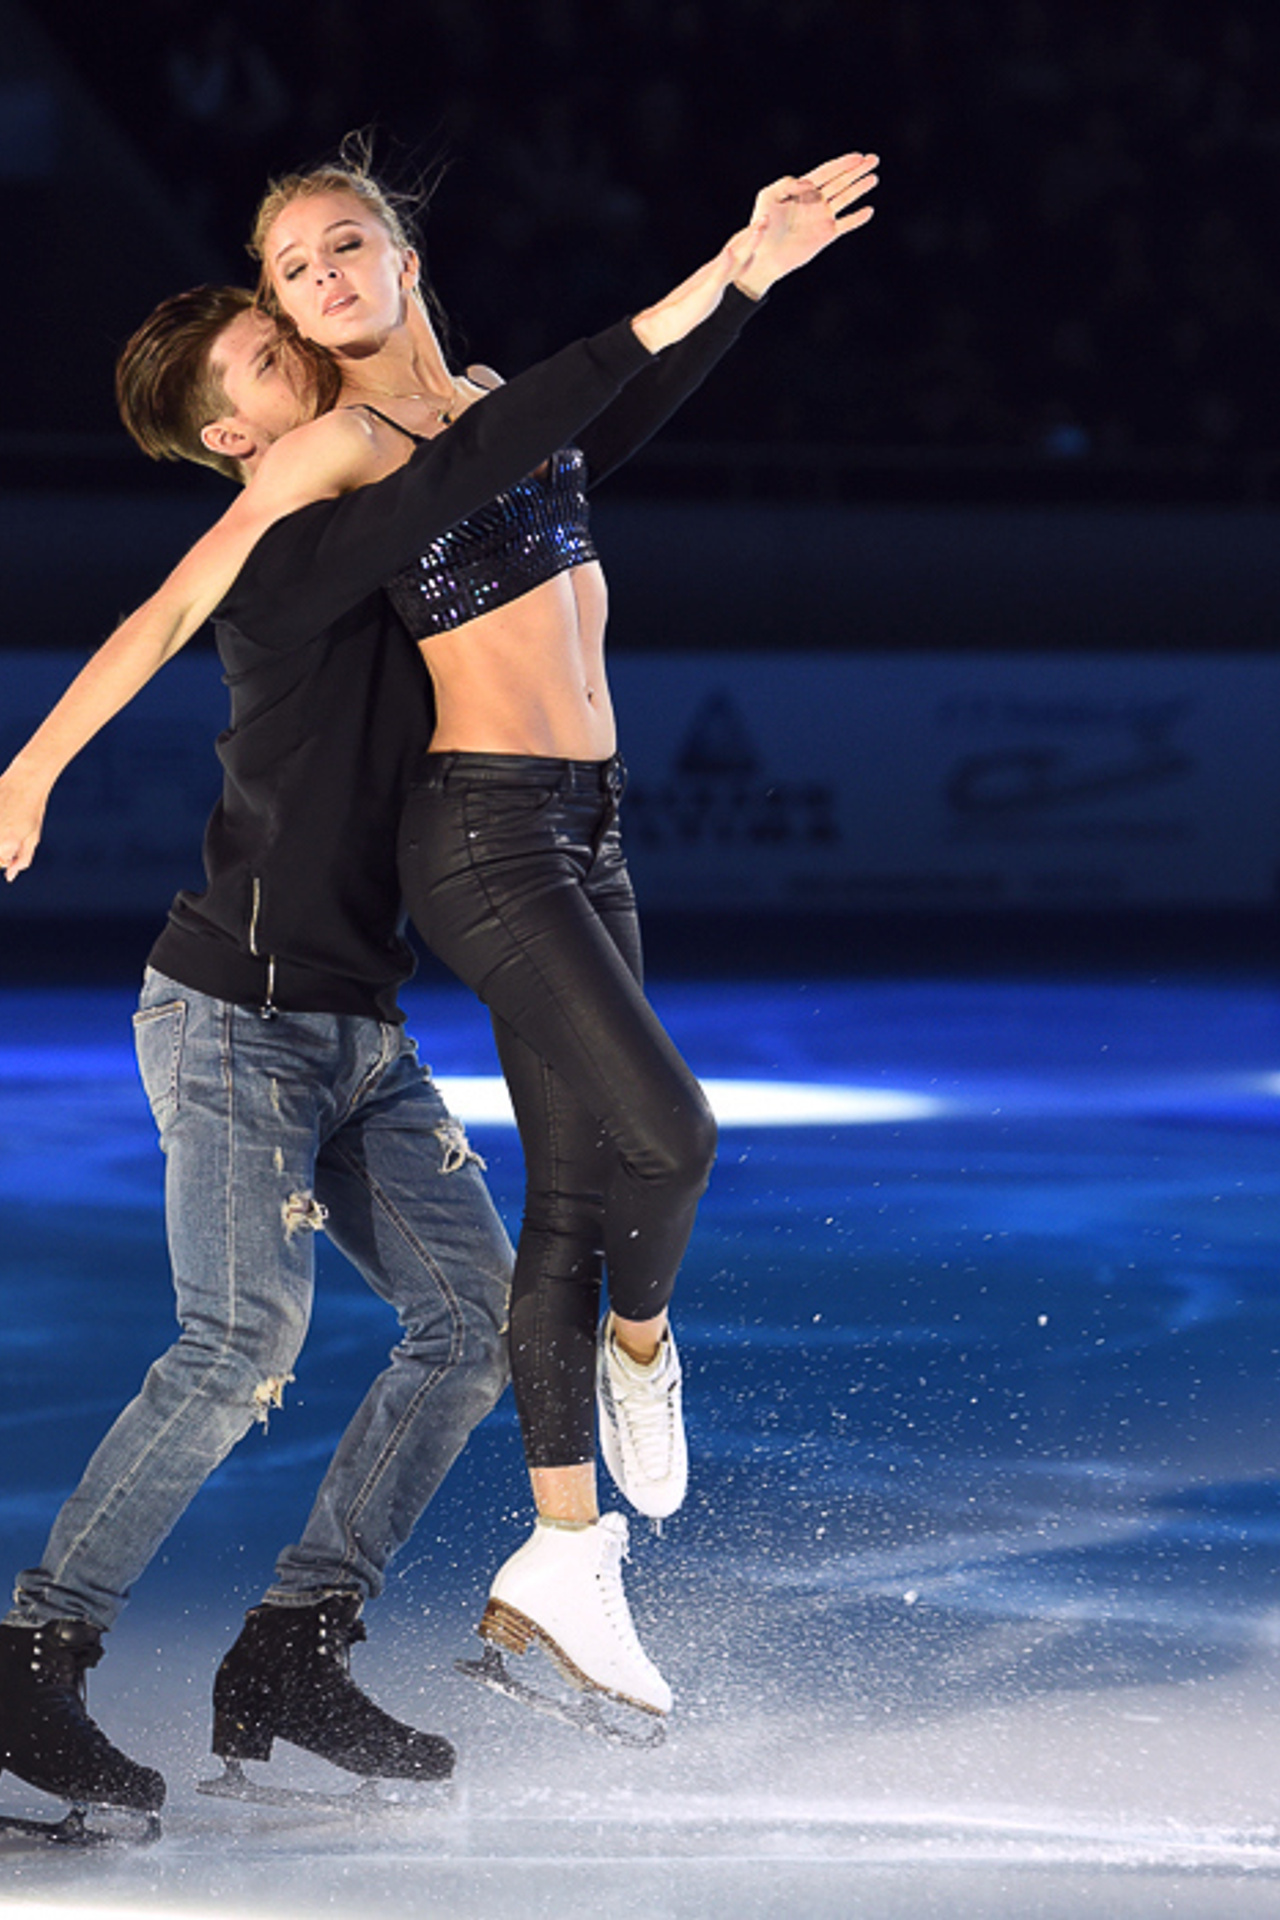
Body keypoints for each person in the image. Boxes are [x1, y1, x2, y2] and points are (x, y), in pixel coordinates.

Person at [0, 189, 780, 1817]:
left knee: (471, 1331)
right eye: (269, 346)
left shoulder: (413, 480)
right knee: (239, 1345)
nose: (301, 338)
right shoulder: (299, 529)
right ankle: (31, 1664)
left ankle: (291, 1647)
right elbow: (164, 614)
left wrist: (734, 294)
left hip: (358, 1018)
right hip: (232, 1010)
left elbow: (534, 461)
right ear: (233, 433)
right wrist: (31, 770)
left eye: (310, 298)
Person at [245, 148, 878, 1725]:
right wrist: (710, 277)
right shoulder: (353, 442)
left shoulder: (495, 400)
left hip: (594, 828)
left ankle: (563, 1561)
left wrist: (750, 280)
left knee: (577, 1195)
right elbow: (590, 386)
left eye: (345, 243)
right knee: (673, 1132)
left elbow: (615, 419)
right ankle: (642, 1353)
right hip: (483, 833)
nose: (326, 275)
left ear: (400, 253)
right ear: (292, 316)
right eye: (292, 271)